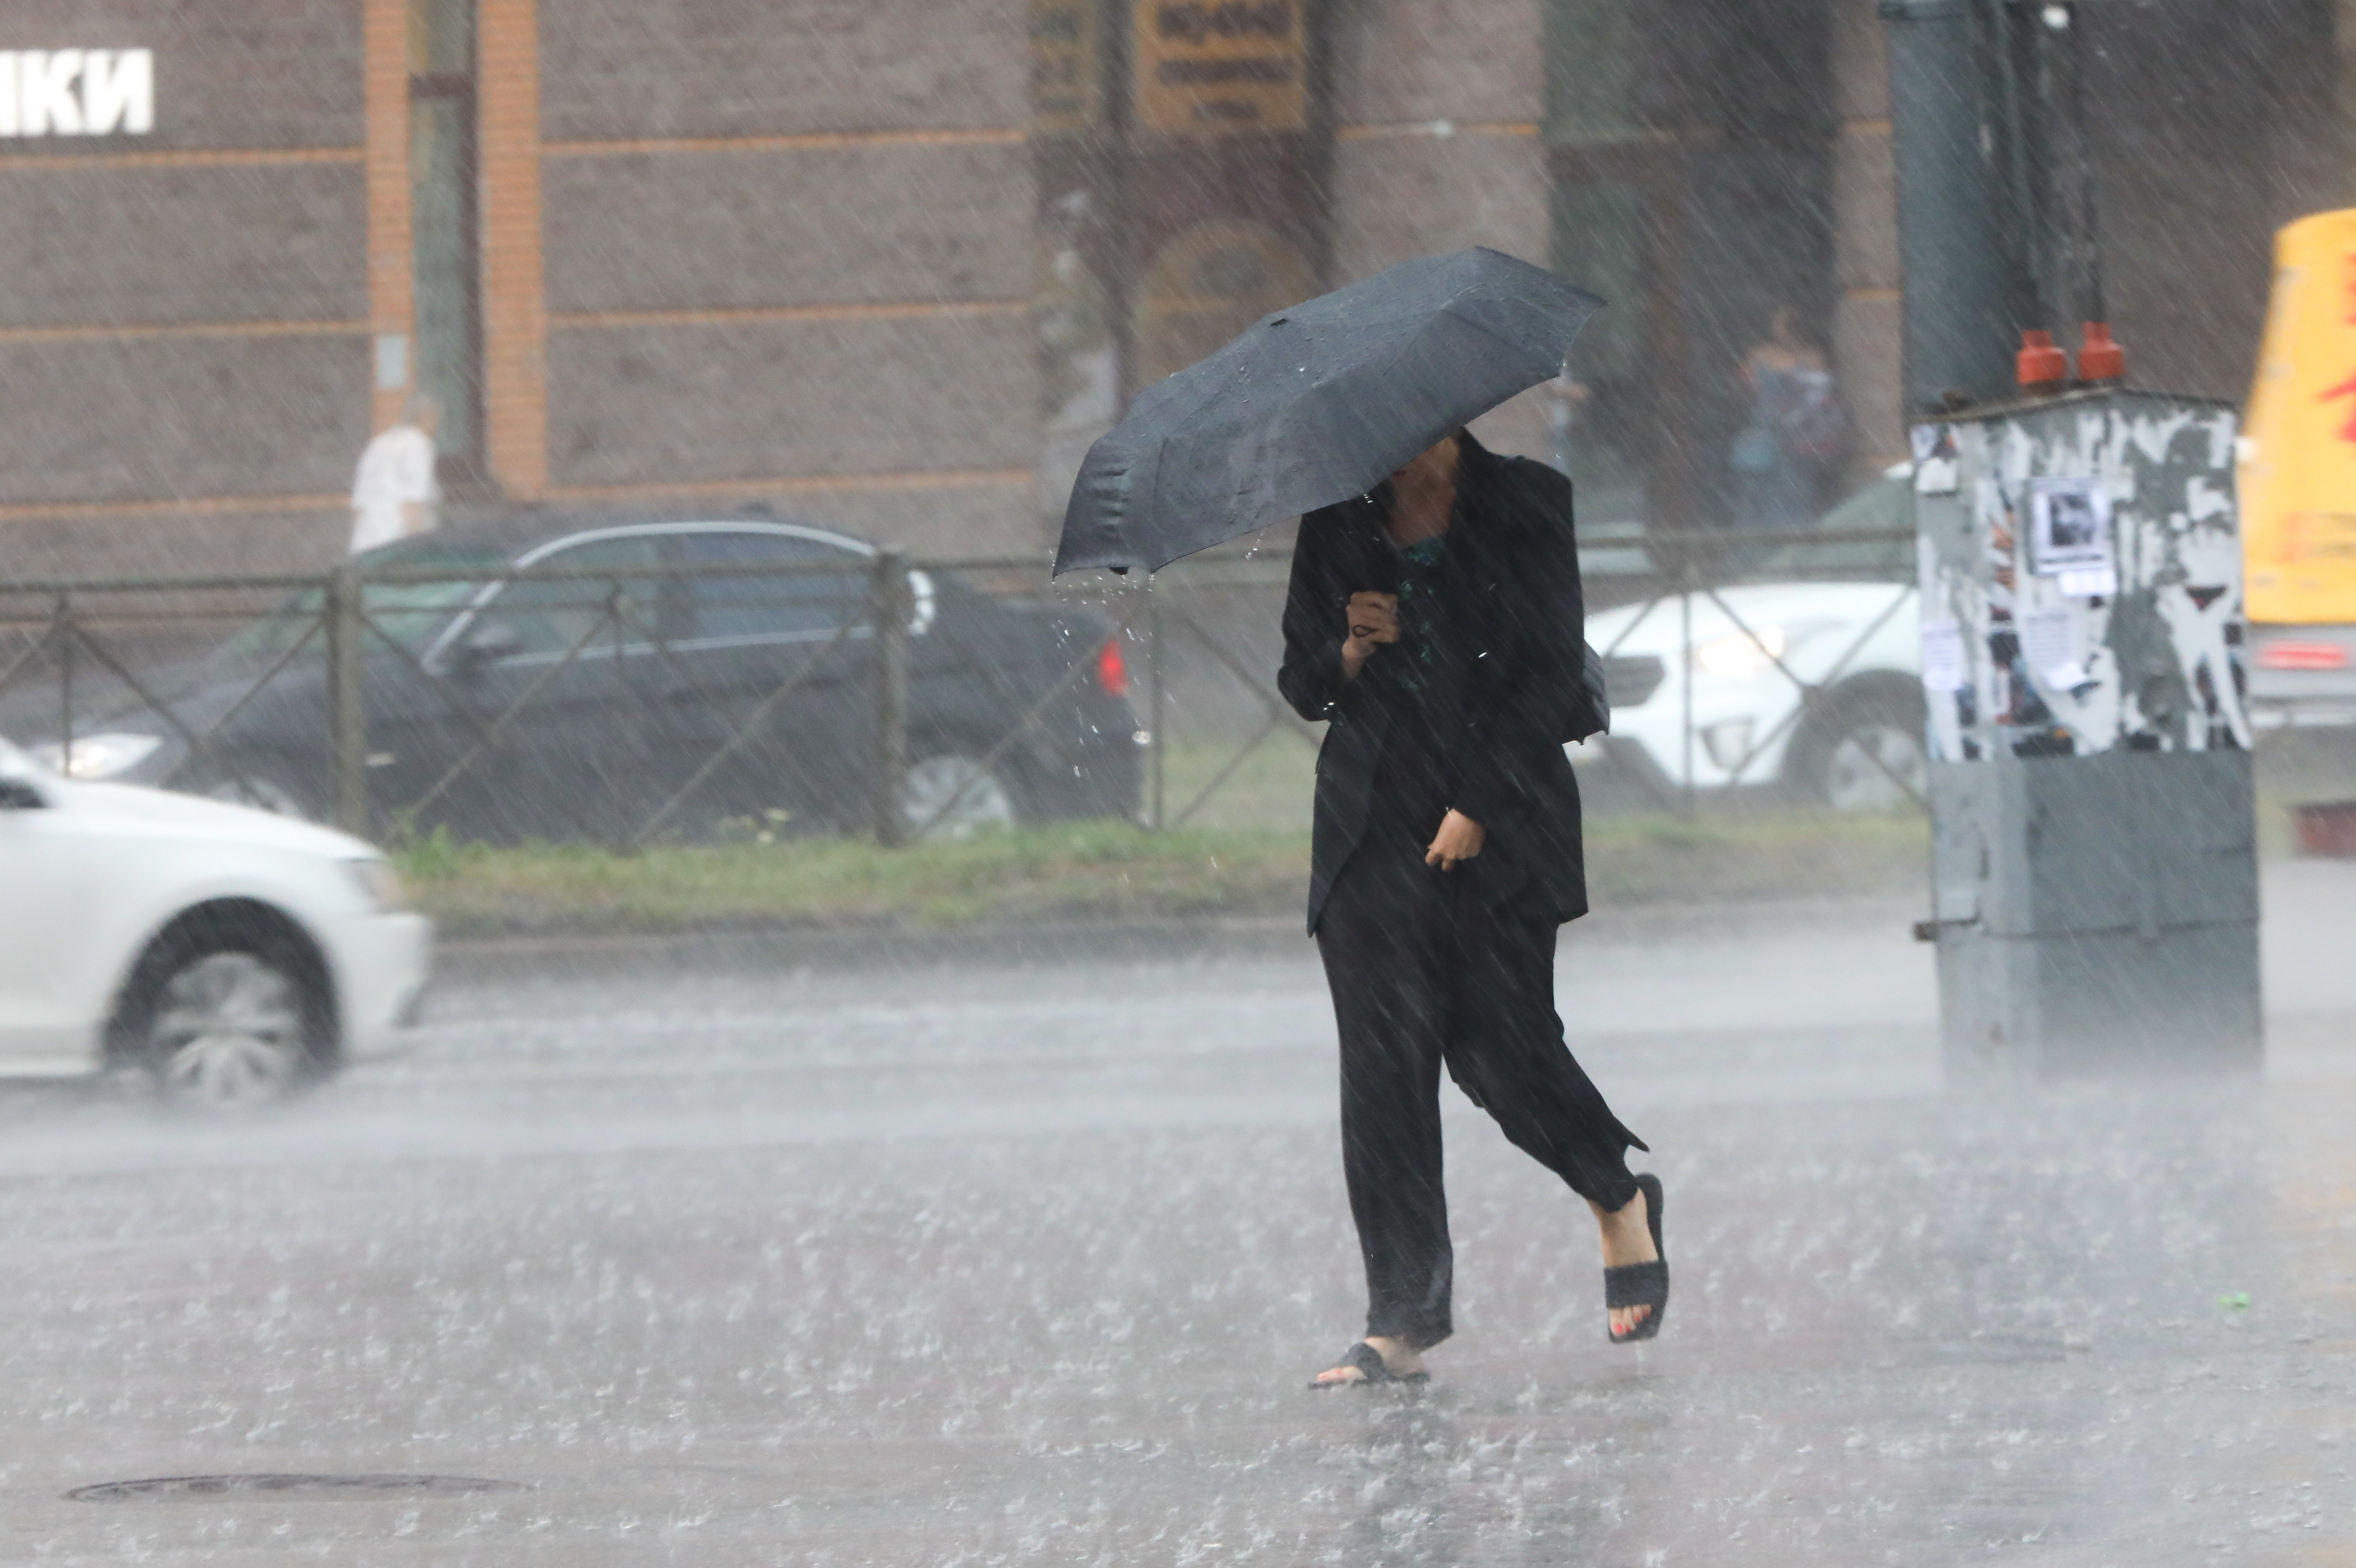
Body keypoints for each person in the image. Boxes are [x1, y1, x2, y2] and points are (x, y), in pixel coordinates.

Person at [1279, 428, 1667, 1390]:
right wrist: (1350, 647)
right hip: (1371, 825)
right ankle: (1398, 1319)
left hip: (1497, 811)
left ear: (1446, 420)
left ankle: (1615, 1196)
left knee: (1500, 1048)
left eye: (1408, 444)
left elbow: (1544, 674)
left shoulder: (1527, 501)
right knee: (1383, 1072)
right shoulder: (1337, 514)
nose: (1391, 462)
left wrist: (1479, 804)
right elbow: (1299, 681)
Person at [1731, 306, 1846, 532]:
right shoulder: (1762, 354)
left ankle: (1777, 553)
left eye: (1782, 323)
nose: (1777, 329)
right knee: (1757, 502)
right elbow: (1741, 390)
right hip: (1768, 440)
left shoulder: (1809, 358)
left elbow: (1819, 399)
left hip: (1796, 443)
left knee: (1788, 502)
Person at [348, 393, 442, 556]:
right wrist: (417, 552)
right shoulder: (418, 445)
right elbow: (413, 503)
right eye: (436, 420)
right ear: (426, 417)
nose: (437, 428)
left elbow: (358, 507)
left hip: (365, 546)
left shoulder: (378, 444)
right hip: (397, 546)